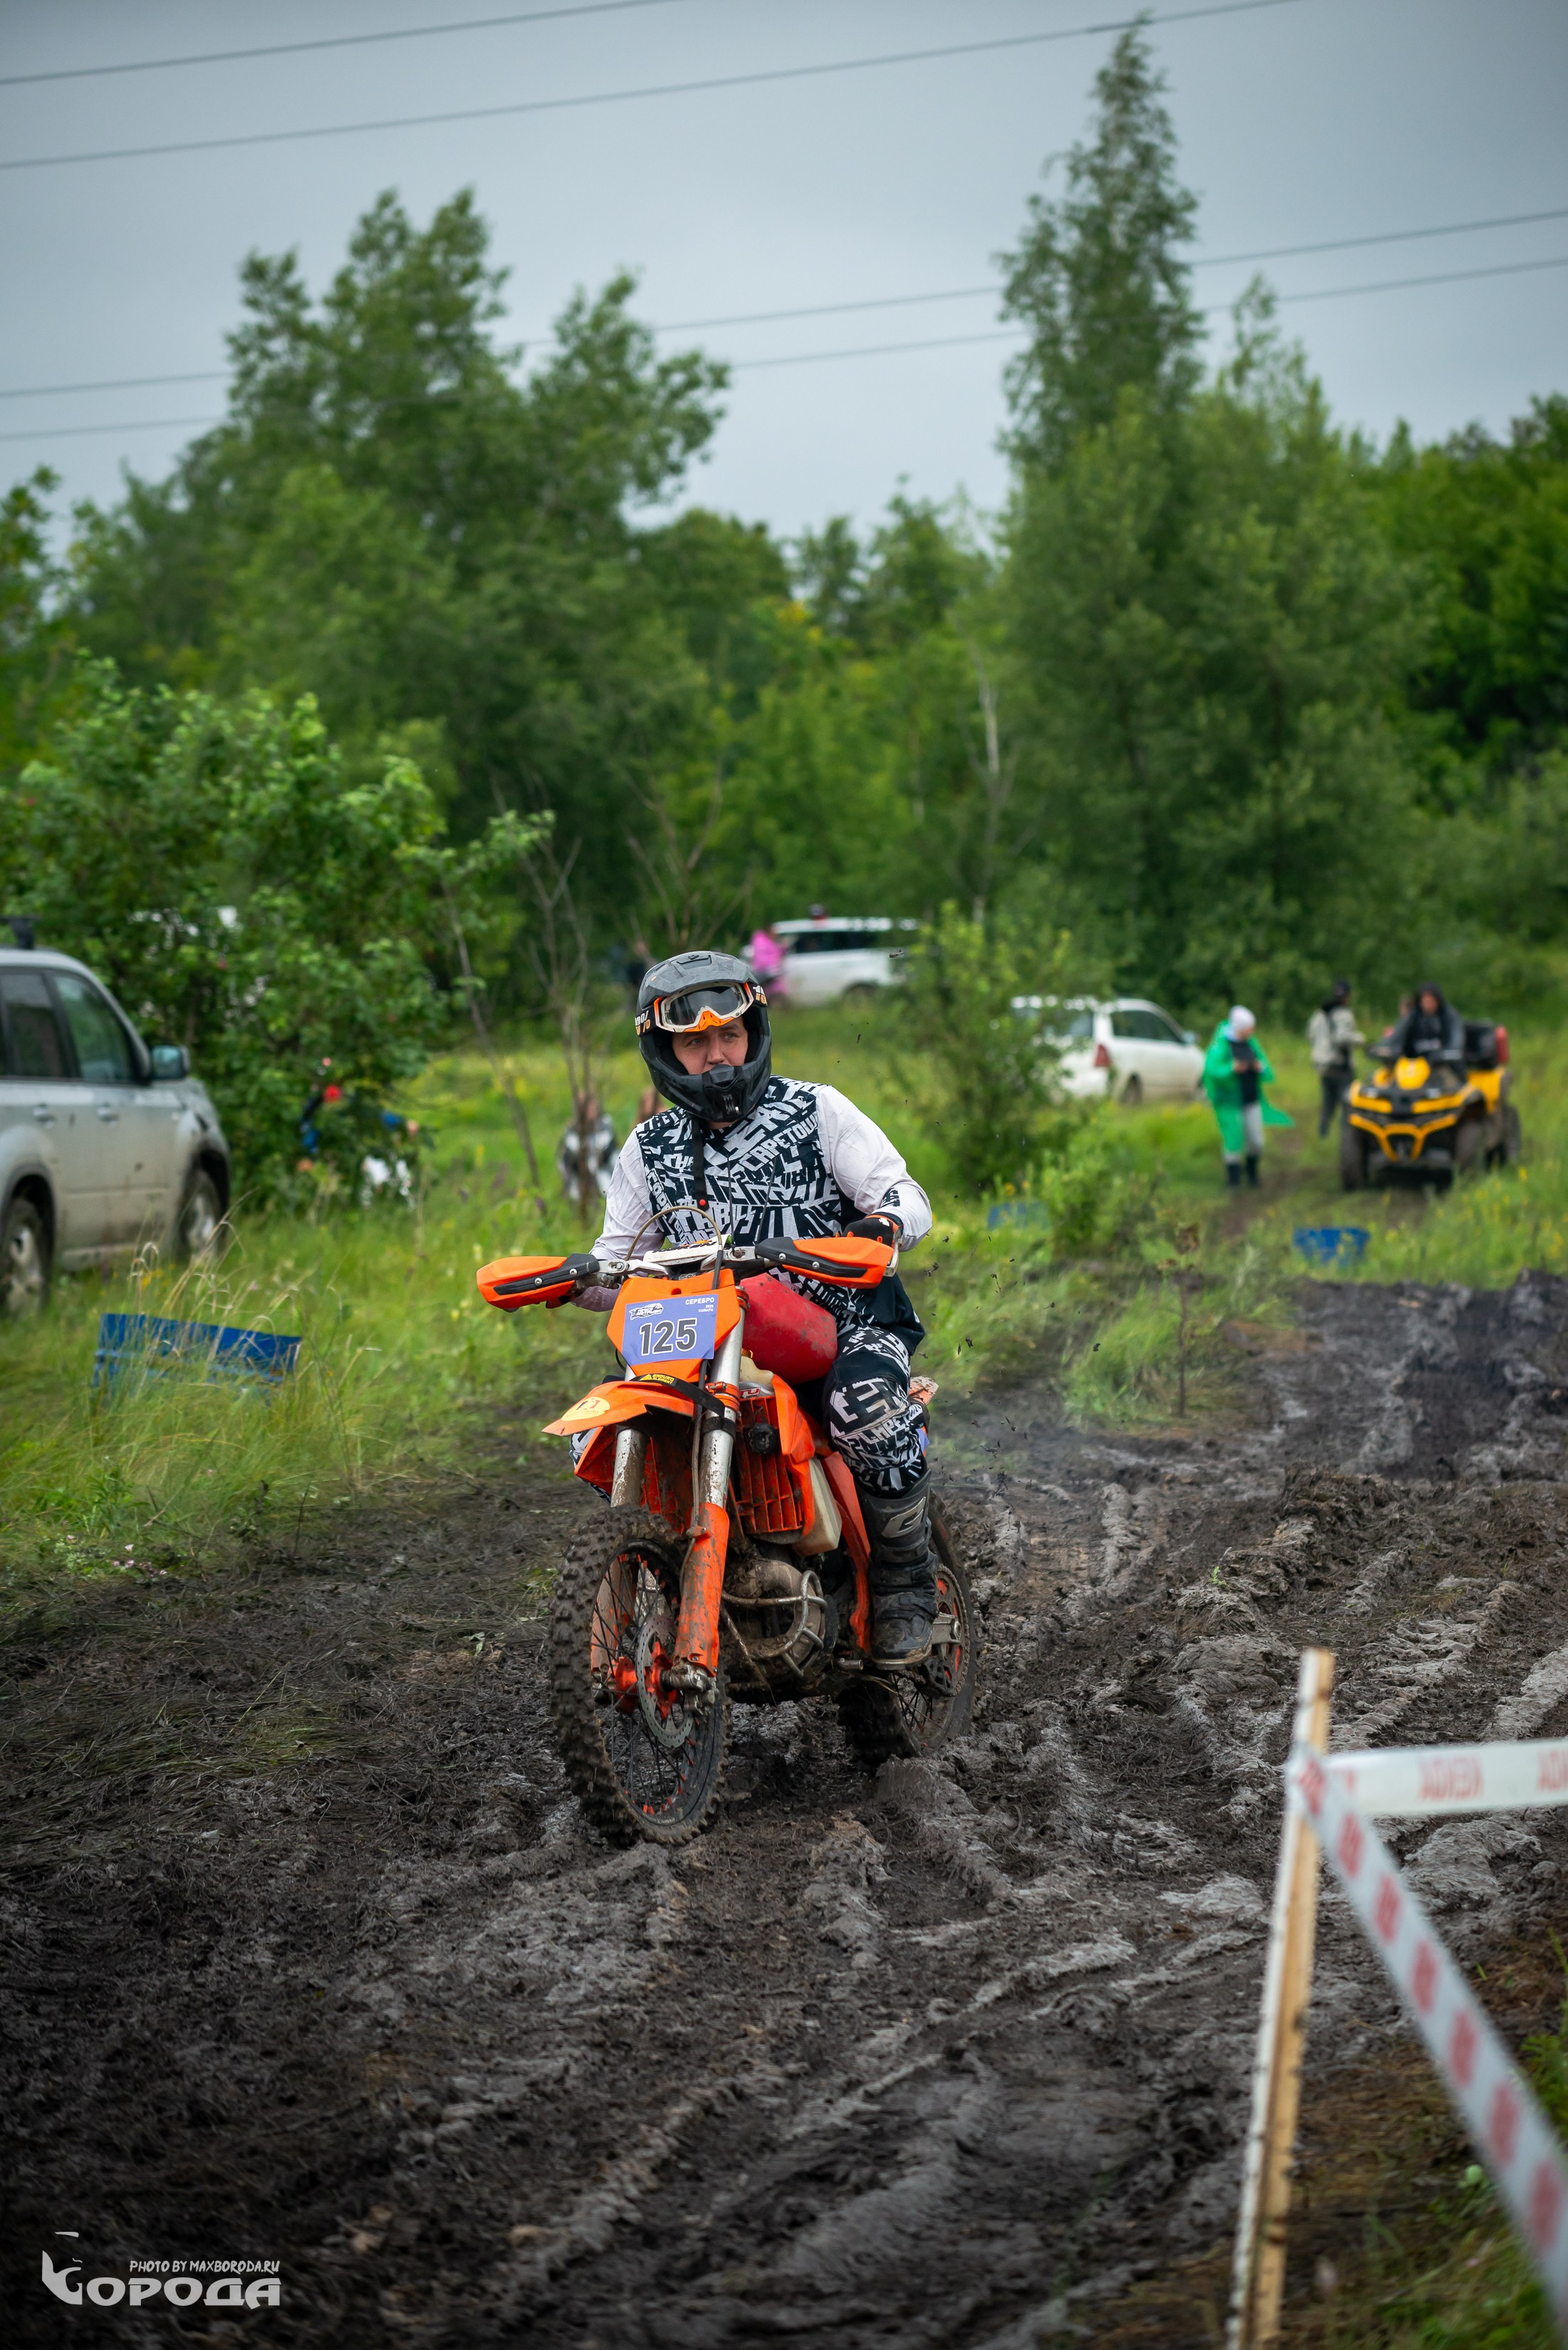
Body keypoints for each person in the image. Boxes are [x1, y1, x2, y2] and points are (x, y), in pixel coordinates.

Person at [572, 949, 939, 1668]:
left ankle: (905, 1584)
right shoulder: (650, 1146)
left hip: (845, 1325)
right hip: (706, 1344)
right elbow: (618, 1257)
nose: (717, 1056)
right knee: (600, 1431)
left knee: (864, 1411)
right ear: (665, 1051)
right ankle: (669, 1573)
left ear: (754, 1033)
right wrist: (573, 1277)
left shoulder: (817, 1109)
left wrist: (886, 1225)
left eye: (730, 1035)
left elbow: (907, 1195)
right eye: (696, 1042)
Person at [1203, 1006, 1291, 1189]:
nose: (1252, 1031)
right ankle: (1233, 1180)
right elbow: (1211, 1070)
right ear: (1240, 1028)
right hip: (1229, 1102)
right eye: (1249, 1028)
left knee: (1256, 1141)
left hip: (1251, 1099)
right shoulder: (1221, 1045)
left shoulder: (1251, 1043)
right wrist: (1232, 1068)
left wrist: (1260, 1067)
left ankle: (1252, 1174)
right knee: (1233, 1139)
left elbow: (1265, 1065)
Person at [1307, 979, 1364, 1137]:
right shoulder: (1344, 1014)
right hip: (1340, 1066)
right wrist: (1360, 1039)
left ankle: (1322, 1134)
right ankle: (1347, 1137)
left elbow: (1310, 1035)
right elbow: (1342, 1038)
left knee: (1328, 1103)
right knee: (1347, 1103)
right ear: (1348, 995)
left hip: (1323, 1066)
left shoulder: (1319, 1014)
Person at [1389, 983, 1465, 1075]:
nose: (1428, 1005)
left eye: (1430, 1001)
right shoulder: (1413, 1015)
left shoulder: (1449, 1015)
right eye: (1425, 1001)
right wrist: (1386, 1047)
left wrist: (1452, 1051)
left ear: (1437, 1000)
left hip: (1441, 1060)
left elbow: (1456, 1038)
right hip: (1416, 1060)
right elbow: (1398, 1034)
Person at [556, 1093, 617, 1206]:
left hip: (604, 1176)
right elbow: (566, 1162)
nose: (592, 1110)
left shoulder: (605, 1125)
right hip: (579, 1180)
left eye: (593, 1106)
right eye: (588, 1107)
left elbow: (613, 1155)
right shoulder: (573, 1130)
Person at [748, 921, 788, 1001]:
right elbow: (762, 959)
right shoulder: (761, 942)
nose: (776, 933)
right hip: (765, 972)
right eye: (774, 931)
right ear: (769, 931)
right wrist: (775, 963)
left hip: (771, 972)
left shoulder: (770, 942)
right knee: (770, 991)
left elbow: (776, 952)